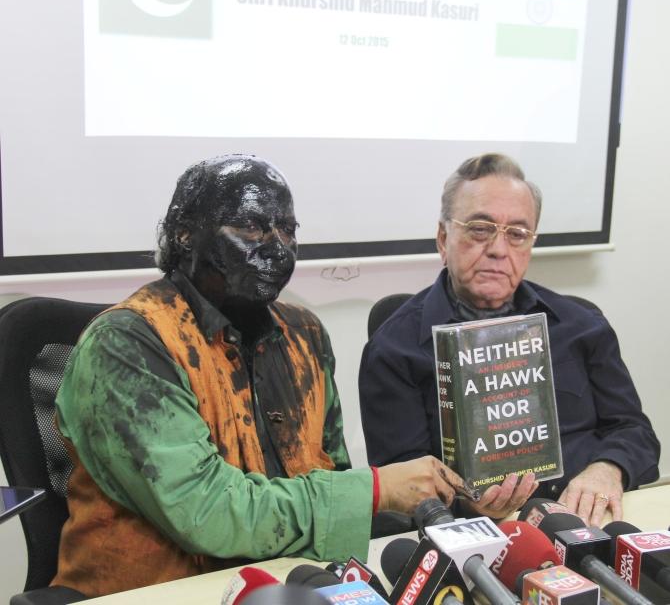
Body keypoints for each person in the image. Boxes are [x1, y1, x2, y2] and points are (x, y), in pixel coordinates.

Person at [52, 155, 461, 597]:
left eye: (288, 230)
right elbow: (206, 513)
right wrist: (377, 489)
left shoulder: (305, 333)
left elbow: (331, 473)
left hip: (292, 583)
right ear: (184, 232)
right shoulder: (126, 345)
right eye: (250, 227)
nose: (277, 247)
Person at [359, 153, 660, 527]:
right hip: (477, 538)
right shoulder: (395, 349)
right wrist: (471, 508)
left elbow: (636, 432)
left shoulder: (581, 325)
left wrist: (608, 468)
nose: (499, 250)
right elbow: (398, 498)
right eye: (480, 229)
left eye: (517, 234)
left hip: (589, 520)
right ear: (443, 238)